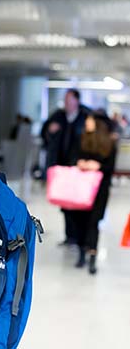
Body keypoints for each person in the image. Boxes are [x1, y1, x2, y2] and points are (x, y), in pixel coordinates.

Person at [41, 89, 90, 245]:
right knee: (65, 204)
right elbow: (45, 132)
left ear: (77, 101)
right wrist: (49, 130)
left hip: (78, 169)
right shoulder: (58, 116)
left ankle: (79, 237)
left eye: (70, 100)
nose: (67, 104)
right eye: (66, 100)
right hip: (61, 168)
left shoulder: (85, 117)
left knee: (77, 203)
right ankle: (70, 236)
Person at [70, 113, 116, 275]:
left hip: (100, 189)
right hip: (81, 188)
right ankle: (82, 253)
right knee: (80, 221)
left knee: (93, 222)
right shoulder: (81, 139)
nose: (87, 123)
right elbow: (72, 158)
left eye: (90, 120)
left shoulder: (109, 144)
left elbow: (110, 168)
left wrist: (97, 166)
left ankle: (92, 256)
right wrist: (81, 163)